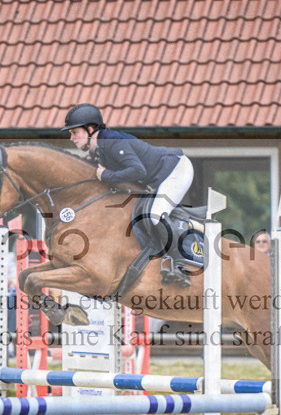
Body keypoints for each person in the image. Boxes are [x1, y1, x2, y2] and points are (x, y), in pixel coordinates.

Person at [62, 103, 195, 287]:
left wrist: (107, 175)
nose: (72, 138)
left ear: (90, 129)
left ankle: (180, 266)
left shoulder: (114, 142)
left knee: (155, 216)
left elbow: (137, 171)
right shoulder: (101, 147)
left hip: (176, 171)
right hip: (159, 177)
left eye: (75, 132)